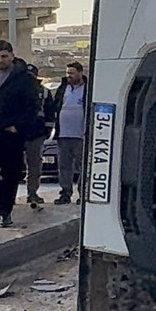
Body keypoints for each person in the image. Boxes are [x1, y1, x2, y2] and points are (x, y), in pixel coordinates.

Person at [0, 40, 38, 228]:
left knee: (11, 174)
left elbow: (32, 107)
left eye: (4, 56)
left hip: (11, 134)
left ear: (11, 56)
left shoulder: (24, 78)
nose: (0, 60)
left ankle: (5, 210)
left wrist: (18, 126)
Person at [49, 61, 88, 205]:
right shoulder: (63, 88)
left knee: (82, 166)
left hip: (80, 135)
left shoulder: (87, 89)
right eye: (67, 73)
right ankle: (65, 193)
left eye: (72, 73)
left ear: (80, 72)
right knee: (64, 166)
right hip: (63, 134)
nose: (69, 76)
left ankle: (83, 194)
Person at [23, 63, 54, 205]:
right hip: (16, 133)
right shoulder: (17, 89)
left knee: (34, 165)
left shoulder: (44, 92)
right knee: (9, 167)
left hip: (36, 133)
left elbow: (50, 113)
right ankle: (4, 197)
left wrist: (47, 131)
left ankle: (32, 193)